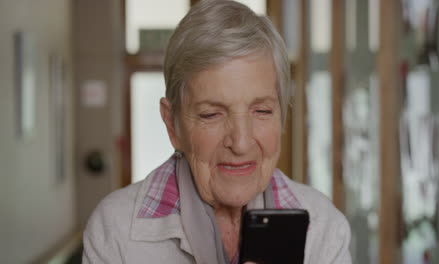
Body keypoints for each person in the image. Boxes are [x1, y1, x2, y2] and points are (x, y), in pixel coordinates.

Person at [82, 1, 351, 263]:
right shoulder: (114, 231)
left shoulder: (324, 227)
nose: (241, 143)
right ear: (172, 124)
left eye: (262, 111)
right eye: (211, 114)